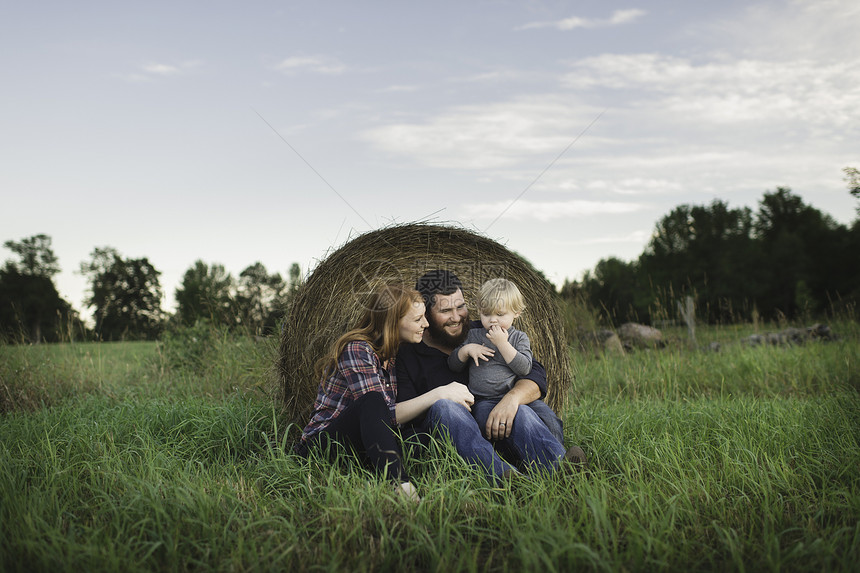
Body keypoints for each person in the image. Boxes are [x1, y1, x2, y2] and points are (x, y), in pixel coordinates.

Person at [395, 270, 586, 484]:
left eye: (460, 307)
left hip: (503, 424)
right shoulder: (408, 355)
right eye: (446, 310)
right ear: (426, 314)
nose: (457, 317)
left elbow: (533, 371)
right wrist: (441, 394)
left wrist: (511, 399)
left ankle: (559, 470)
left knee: (526, 411)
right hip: (458, 431)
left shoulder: (481, 330)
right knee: (445, 407)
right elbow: (401, 416)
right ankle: (505, 478)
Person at [296, 283, 429, 501]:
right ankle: (400, 486)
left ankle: (369, 476)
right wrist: (439, 394)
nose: (426, 324)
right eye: (417, 319)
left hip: (360, 445)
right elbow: (384, 413)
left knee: (419, 438)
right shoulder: (358, 349)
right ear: (391, 322)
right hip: (322, 447)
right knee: (372, 400)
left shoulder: (394, 355)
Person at [447, 278, 561, 439]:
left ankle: (560, 453)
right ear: (479, 310)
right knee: (486, 422)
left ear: (516, 313)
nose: (493, 319)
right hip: (484, 400)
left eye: (500, 314)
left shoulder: (518, 338)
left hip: (514, 396)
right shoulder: (472, 335)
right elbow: (453, 365)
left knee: (548, 417)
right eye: (486, 314)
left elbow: (524, 368)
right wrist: (465, 351)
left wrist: (503, 344)